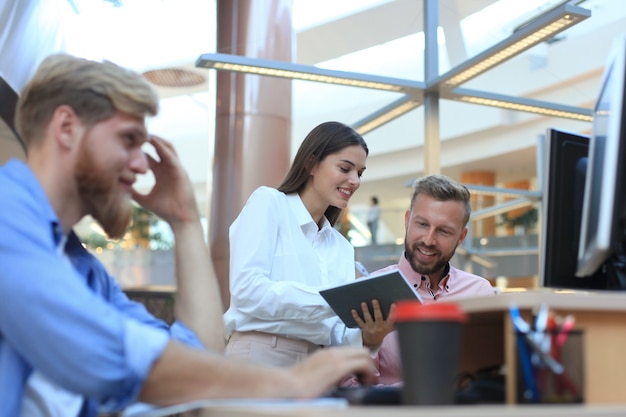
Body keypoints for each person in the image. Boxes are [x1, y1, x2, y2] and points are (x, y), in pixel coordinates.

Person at [0, 54, 378, 417]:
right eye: (128, 140)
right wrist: (286, 383)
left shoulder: (83, 270)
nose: (140, 164)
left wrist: (184, 220)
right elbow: (116, 356)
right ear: (66, 127)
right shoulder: (7, 218)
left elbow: (197, 350)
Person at [224, 121, 394, 367]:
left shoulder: (342, 246)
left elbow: (333, 331)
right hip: (260, 356)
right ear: (311, 163)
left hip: (318, 364)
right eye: (345, 168)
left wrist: (369, 335)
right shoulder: (269, 203)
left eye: (360, 173)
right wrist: (336, 301)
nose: (355, 180)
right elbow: (248, 292)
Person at [344, 174, 496, 386]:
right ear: (407, 221)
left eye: (444, 231)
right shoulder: (371, 292)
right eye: (422, 224)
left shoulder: (480, 293)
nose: (428, 240)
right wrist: (369, 343)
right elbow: (350, 386)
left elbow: (493, 377)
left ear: (461, 237)